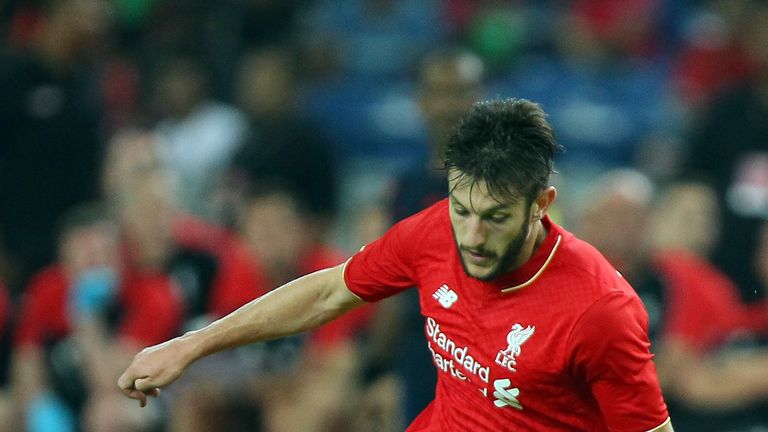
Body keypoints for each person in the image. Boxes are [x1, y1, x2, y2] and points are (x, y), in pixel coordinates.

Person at [118, 98, 673, 431]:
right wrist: (190, 345)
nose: (472, 237)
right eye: (463, 209)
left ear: (542, 204)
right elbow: (330, 292)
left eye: (497, 217)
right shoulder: (435, 230)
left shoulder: (600, 310)